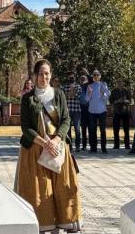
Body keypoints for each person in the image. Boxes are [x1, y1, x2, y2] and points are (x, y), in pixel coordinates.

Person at [16, 59, 82, 232]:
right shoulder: (28, 98)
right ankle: (44, 224)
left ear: (51, 75)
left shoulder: (58, 94)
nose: (44, 77)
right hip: (36, 148)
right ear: (34, 75)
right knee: (39, 189)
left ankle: (66, 222)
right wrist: (45, 143)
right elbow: (25, 127)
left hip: (58, 147)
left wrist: (56, 140)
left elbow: (66, 119)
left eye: (47, 73)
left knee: (63, 187)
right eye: (40, 73)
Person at [85, 70, 110, 154]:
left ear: (100, 76)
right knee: (92, 130)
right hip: (92, 111)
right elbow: (86, 99)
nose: (96, 76)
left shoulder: (104, 84)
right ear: (93, 77)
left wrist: (103, 94)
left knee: (102, 130)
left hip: (102, 110)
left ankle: (104, 148)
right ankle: (93, 148)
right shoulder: (90, 86)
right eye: (94, 75)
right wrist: (89, 93)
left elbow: (107, 95)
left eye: (97, 75)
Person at [63, 75, 85, 152]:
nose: (71, 79)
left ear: (75, 79)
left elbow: (77, 97)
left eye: (72, 78)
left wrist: (71, 93)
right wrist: (72, 93)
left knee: (77, 129)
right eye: (70, 78)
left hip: (77, 110)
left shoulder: (78, 87)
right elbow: (64, 97)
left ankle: (78, 146)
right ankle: (70, 146)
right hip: (67, 110)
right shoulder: (64, 87)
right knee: (67, 129)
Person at [110, 78, 132, 150]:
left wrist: (125, 101)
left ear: (123, 83)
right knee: (116, 130)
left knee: (126, 130)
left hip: (125, 112)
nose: (119, 83)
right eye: (118, 82)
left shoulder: (126, 91)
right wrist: (117, 101)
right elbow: (111, 101)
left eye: (121, 82)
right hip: (116, 112)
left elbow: (130, 101)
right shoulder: (113, 91)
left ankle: (127, 145)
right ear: (116, 83)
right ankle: (116, 145)